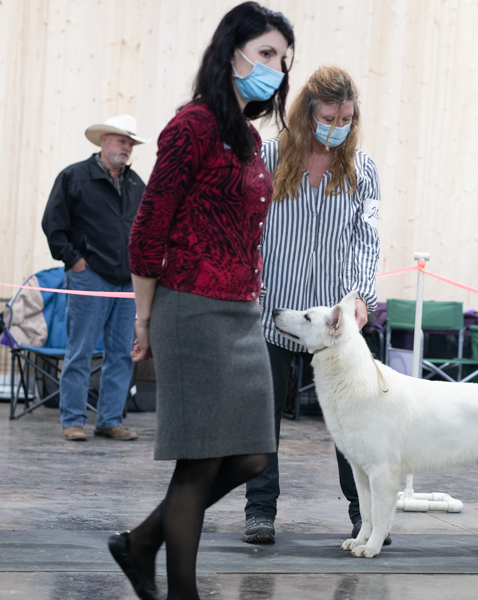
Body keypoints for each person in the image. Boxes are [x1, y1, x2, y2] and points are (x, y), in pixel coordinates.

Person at [106, 4, 294, 599]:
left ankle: (140, 541)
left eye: (283, 61)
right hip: (190, 308)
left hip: (241, 311)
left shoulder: (248, 136)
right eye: (266, 54)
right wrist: (144, 317)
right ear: (231, 50)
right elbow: (147, 231)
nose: (276, 69)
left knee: (251, 458)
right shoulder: (191, 125)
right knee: (200, 463)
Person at [242, 66, 382, 545]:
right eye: (328, 116)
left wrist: (362, 294)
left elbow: (367, 238)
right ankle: (260, 511)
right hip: (273, 310)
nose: (336, 126)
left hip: (335, 320)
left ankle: (364, 516)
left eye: (345, 118)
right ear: (307, 113)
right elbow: (246, 231)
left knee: (354, 422)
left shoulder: (362, 169)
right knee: (263, 419)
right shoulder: (264, 157)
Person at [41, 114, 149, 442]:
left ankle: (109, 420)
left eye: (130, 143)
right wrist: (74, 261)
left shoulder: (136, 184)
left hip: (126, 281)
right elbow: (53, 224)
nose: (126, 147)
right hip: (89, 278)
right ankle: (73, 420)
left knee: (120, 354)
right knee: (81, 350)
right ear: (103, 141)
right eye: (121, 140)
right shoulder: (74, 177)